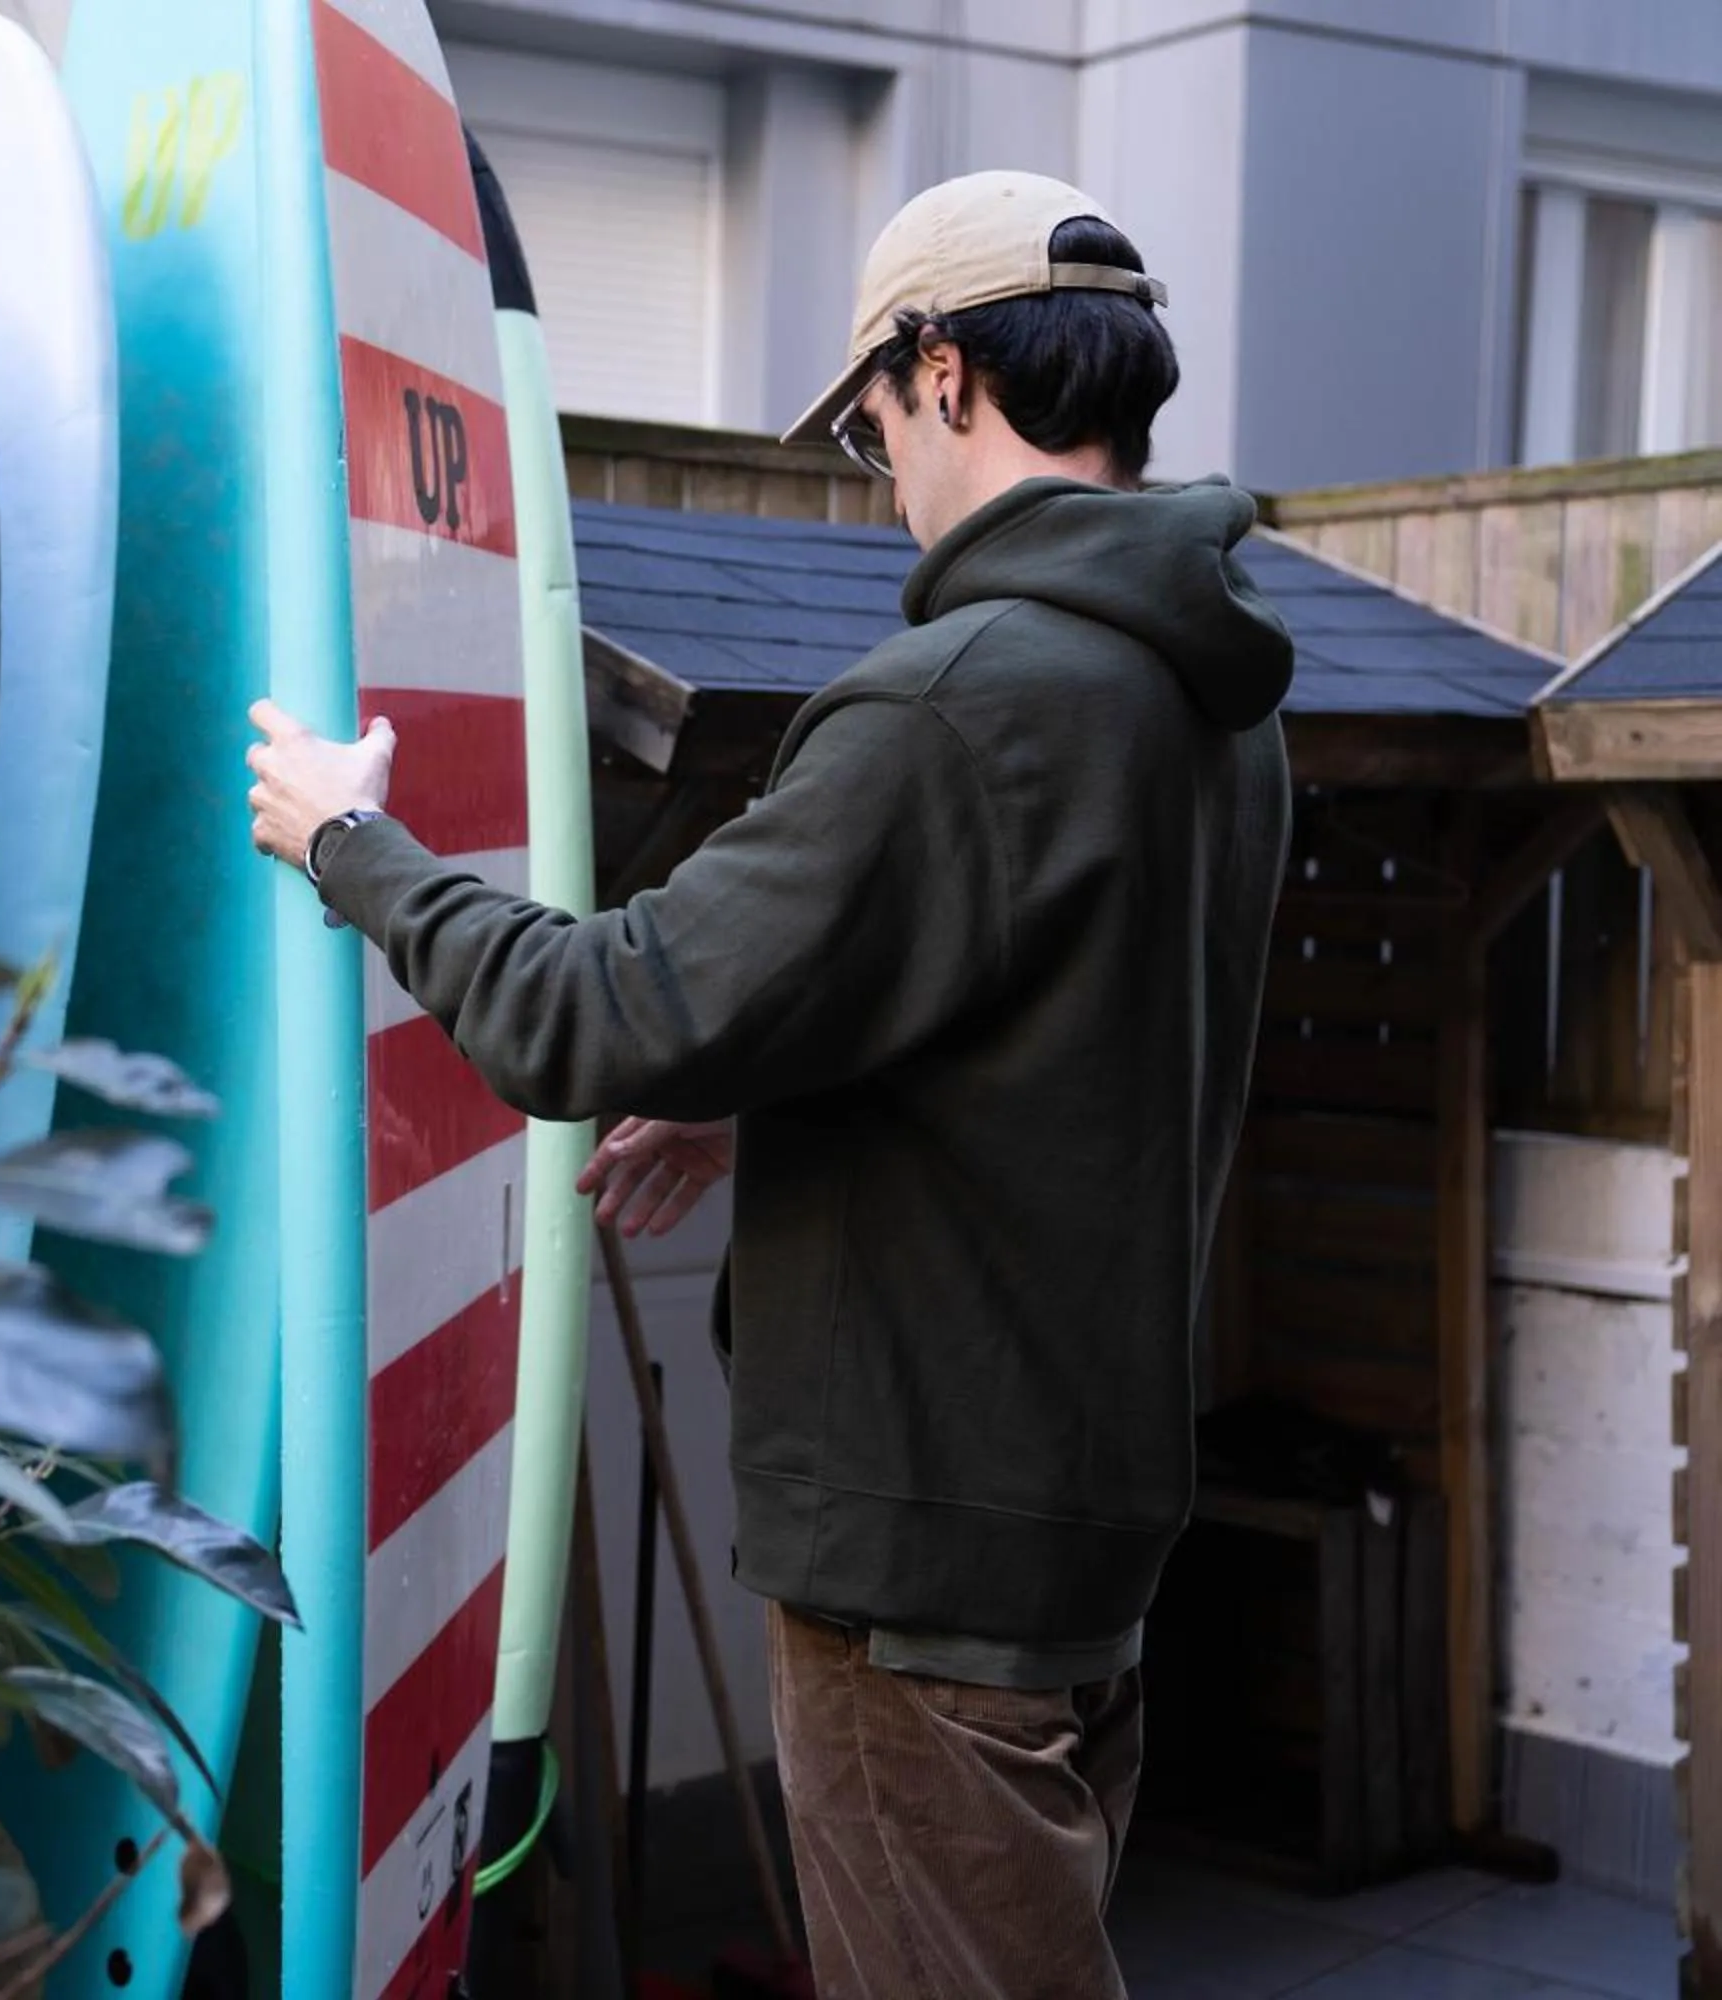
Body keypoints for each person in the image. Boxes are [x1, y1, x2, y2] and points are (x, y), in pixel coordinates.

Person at [245, 169, 1294, 1999]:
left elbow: (584, 1012)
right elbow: (1061, 1028)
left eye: (872, 420)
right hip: (1080, 1529)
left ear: (947, 374)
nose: (879, 466)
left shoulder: (956, 705)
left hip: (919, 1570)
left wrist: (352, 842)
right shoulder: (1212, 703)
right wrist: (763, 1079)